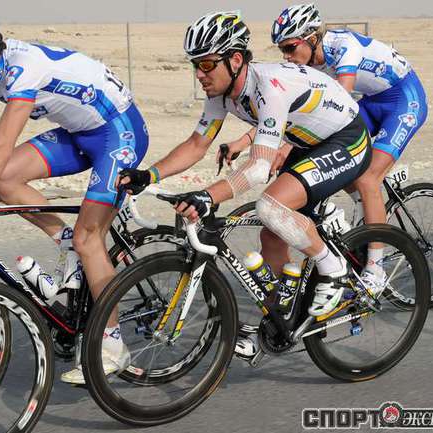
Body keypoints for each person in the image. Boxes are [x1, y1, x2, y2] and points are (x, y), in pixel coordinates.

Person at [0, 6, 149, 384]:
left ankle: (113, 346)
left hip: (118, 131)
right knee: (5, 179)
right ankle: (65, 240)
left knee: (89, 237)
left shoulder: (22, 67)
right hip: (78, 133)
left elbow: (0, 145)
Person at [119, 11, 373, 329]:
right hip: (307, 143)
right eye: (195, 64)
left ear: (235, 60)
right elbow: (197, 145)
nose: (199, 74)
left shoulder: (269, 88)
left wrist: (208, 196)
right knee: (273, 234)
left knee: (271, 206)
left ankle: (333, 269)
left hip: (346, 139)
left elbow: (257, 168)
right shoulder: (221, 94)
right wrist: (149, 175)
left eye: (207, 64)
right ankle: (283, 319)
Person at [226, 3, 428, 292]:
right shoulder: (304, 63)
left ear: (312, 38)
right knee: (332, 154)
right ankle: (352, 218)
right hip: (368, 102)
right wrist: (244, 140)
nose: (286, 56)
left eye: (290, 48)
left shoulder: (345, 48)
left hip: (402, 100)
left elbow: (339, 103)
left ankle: (375, 269)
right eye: (281, 50)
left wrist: (285, 145)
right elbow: (282, 112)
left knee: (367, 178)